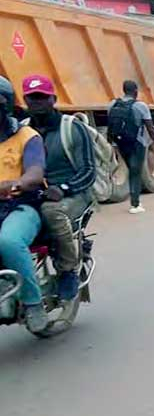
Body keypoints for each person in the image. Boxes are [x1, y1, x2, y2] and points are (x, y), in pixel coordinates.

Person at [22, 74, 96, 307]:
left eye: (42, 97)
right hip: (33, 193)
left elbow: (89, 171)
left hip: (73, 193)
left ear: (53, 99)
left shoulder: (72, 128)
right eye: (32, 98)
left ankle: (67, 272)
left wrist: (63, 188)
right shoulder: (21, 130)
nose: (37, 103)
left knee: (51, 212)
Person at [0, 75, 49, 332]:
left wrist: (14, 184)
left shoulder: (27, 136)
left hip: (21, 206)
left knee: (7, 240)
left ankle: (33, 303)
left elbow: (35, 174)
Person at [107, 80, 154, 214]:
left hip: (120, 142)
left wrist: (111, 143)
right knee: (135, 171)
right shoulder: (140, 106)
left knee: (131, 169)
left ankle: (135, 200)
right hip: (137, 142)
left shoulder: (112, 104)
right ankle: (135, 204)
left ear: (124, 90)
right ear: (135, 91)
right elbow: (150, 128)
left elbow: (110, 125)